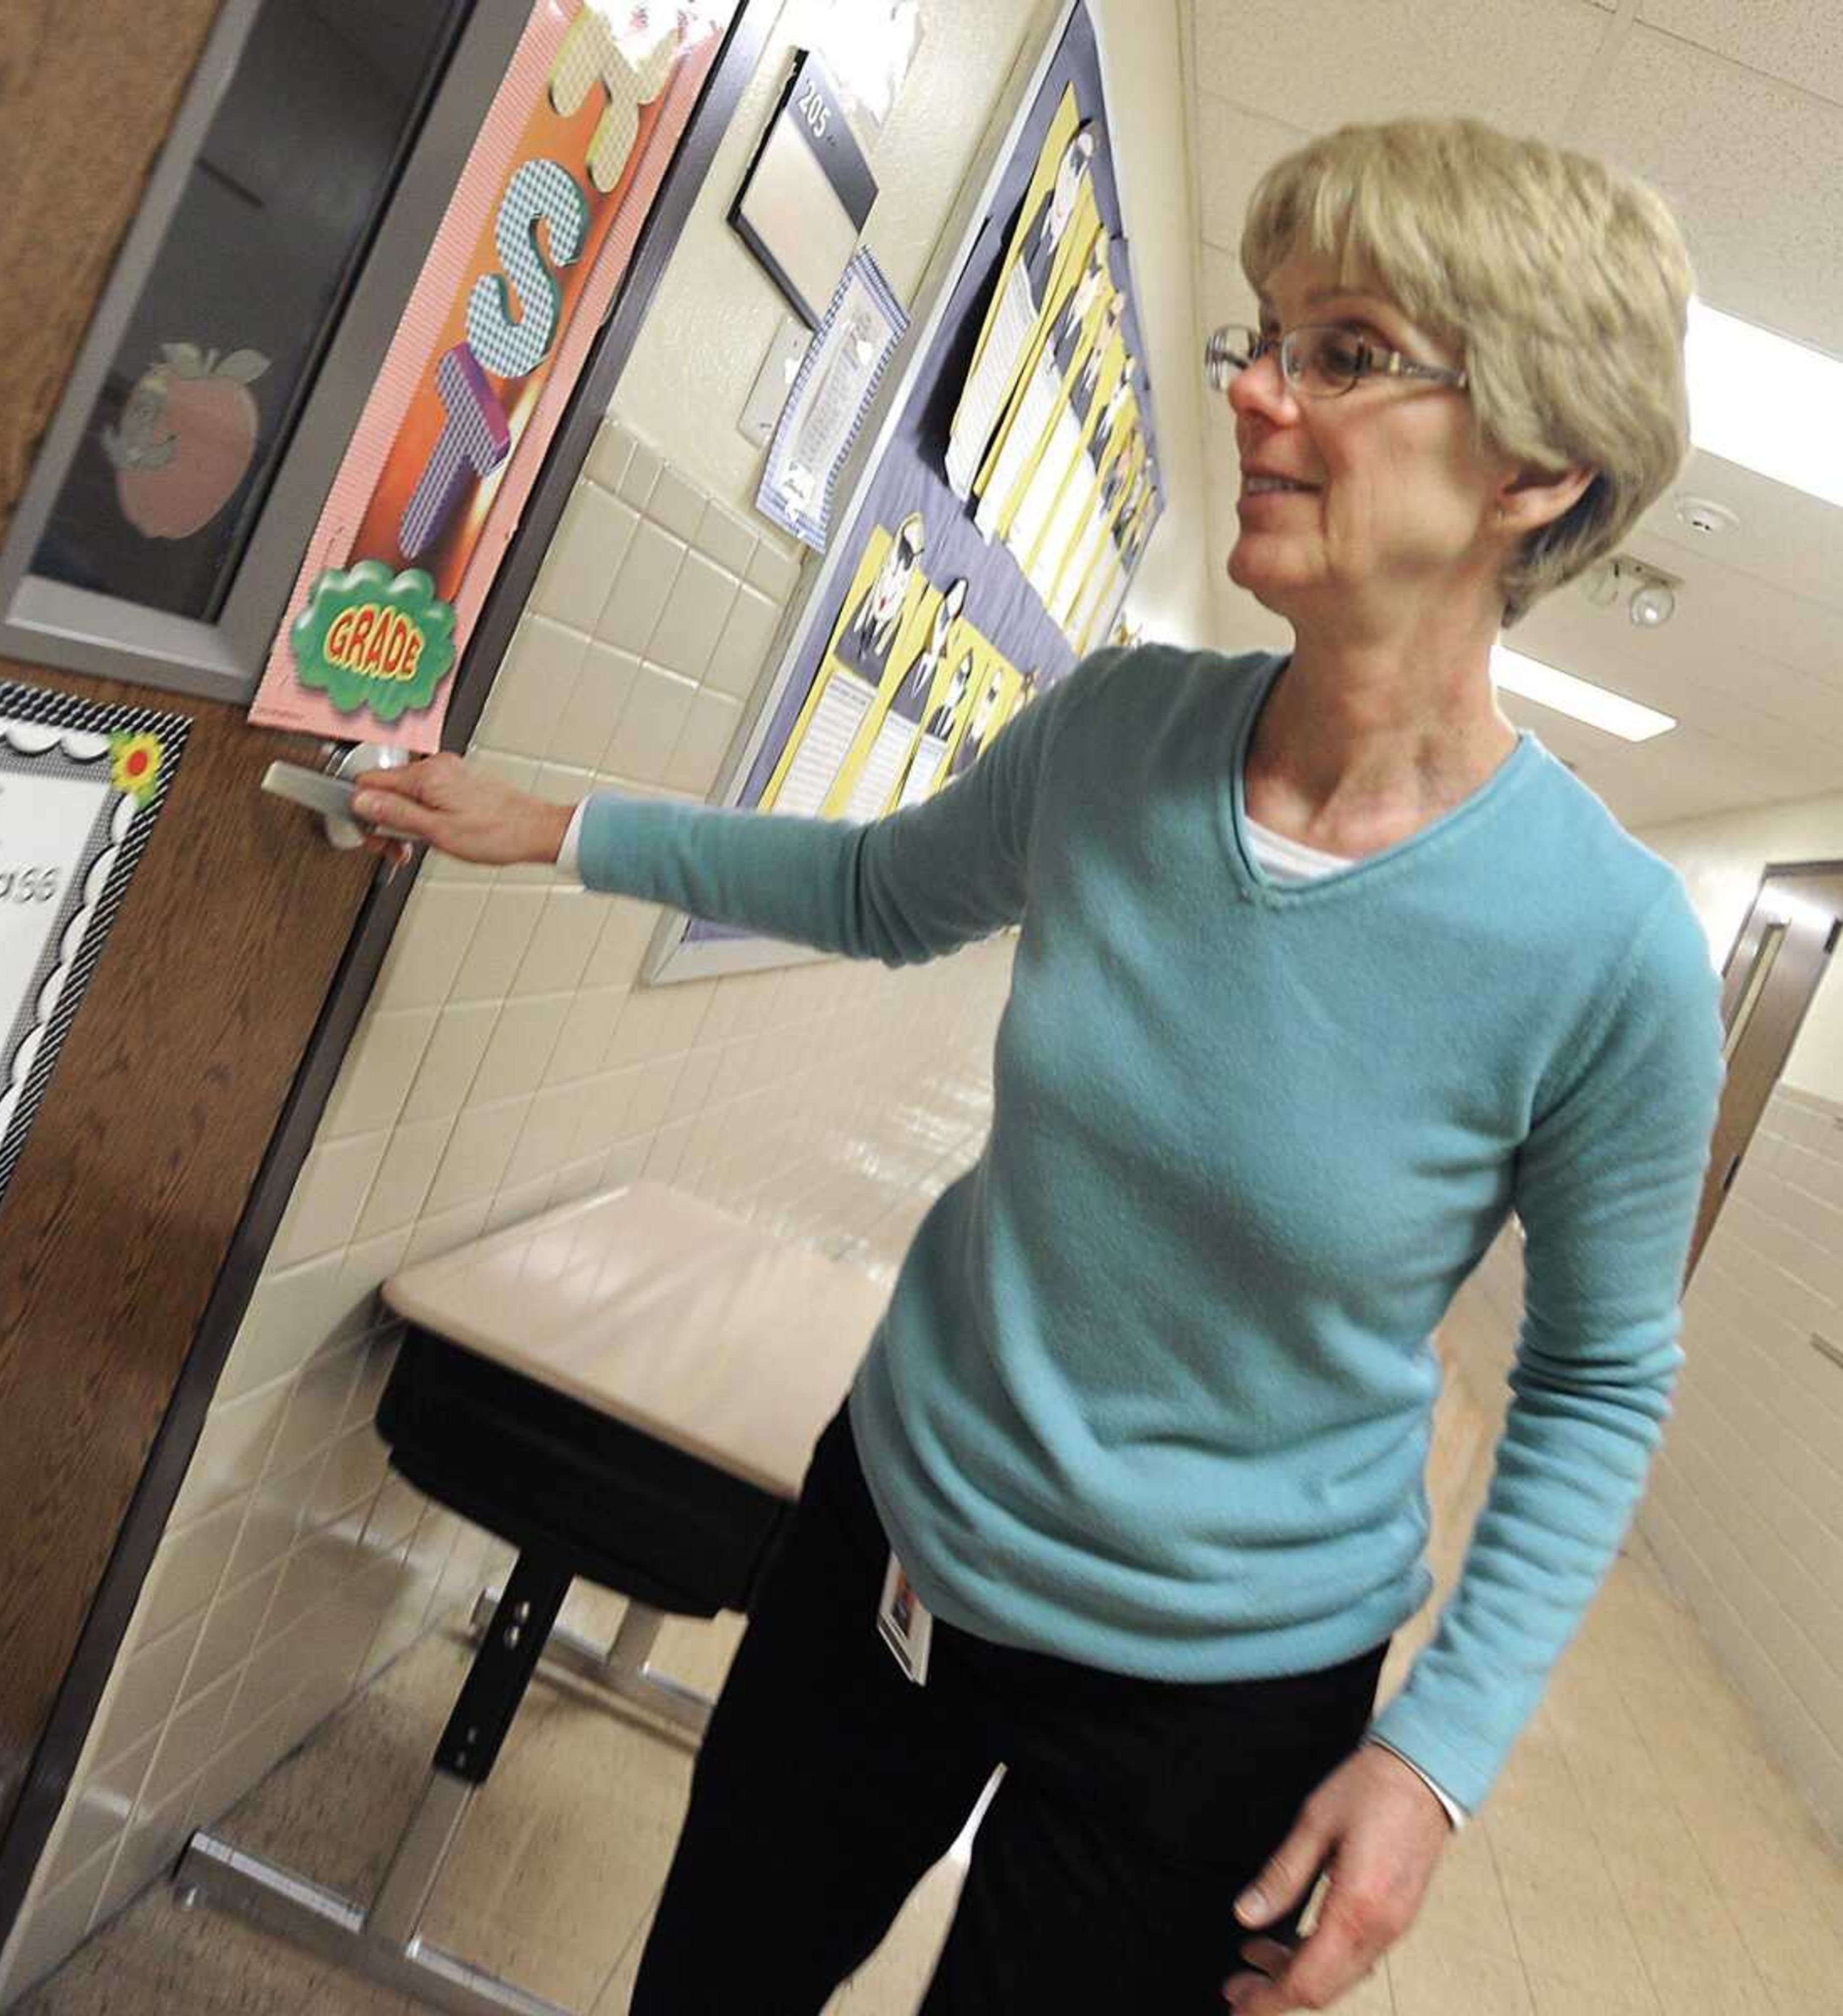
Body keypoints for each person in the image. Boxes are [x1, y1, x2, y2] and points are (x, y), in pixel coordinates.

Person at [352, 115, 1725, 2014]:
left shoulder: (1608, 949)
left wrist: (1440, 1752)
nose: (1252, 389)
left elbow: (1591, 1382)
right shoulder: (1122, 732)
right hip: (892, 1549)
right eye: (1263, 334)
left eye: (1344, 350)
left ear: (1541, 468)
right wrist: (553, 827)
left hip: (1220, 1695)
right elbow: (873, 886)